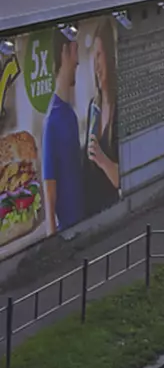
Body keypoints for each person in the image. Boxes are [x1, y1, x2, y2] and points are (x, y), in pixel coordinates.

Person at [42, 32, 85, 233]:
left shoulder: (69, 113)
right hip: (67, 228)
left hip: (81, 221)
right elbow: (49, 187)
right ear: (65, 52)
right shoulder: (53, 120)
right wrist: (53, 239)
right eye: (75, 50)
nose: (78, 61)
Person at [83, 19, 120, 216]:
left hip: (113, 209)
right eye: (93, 58)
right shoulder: (93, 106)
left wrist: (101, 159)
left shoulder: (120, 107)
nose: (96, 64)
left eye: (100, 55)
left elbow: (123, 178)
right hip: (91, 210)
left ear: (110, 57)